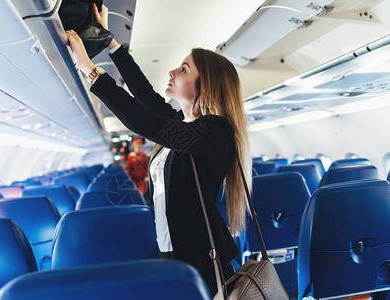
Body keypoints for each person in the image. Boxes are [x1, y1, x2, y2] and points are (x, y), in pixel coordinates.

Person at [66, 4, 252, 296]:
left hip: (202, 256)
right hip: (170, 249)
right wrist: (110, 43)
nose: (172, 71)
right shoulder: (184, 124)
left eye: (183, 69)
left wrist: (90, 70)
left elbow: (144, 121)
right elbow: (146, 97)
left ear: (206, 85)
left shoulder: (216, 131)